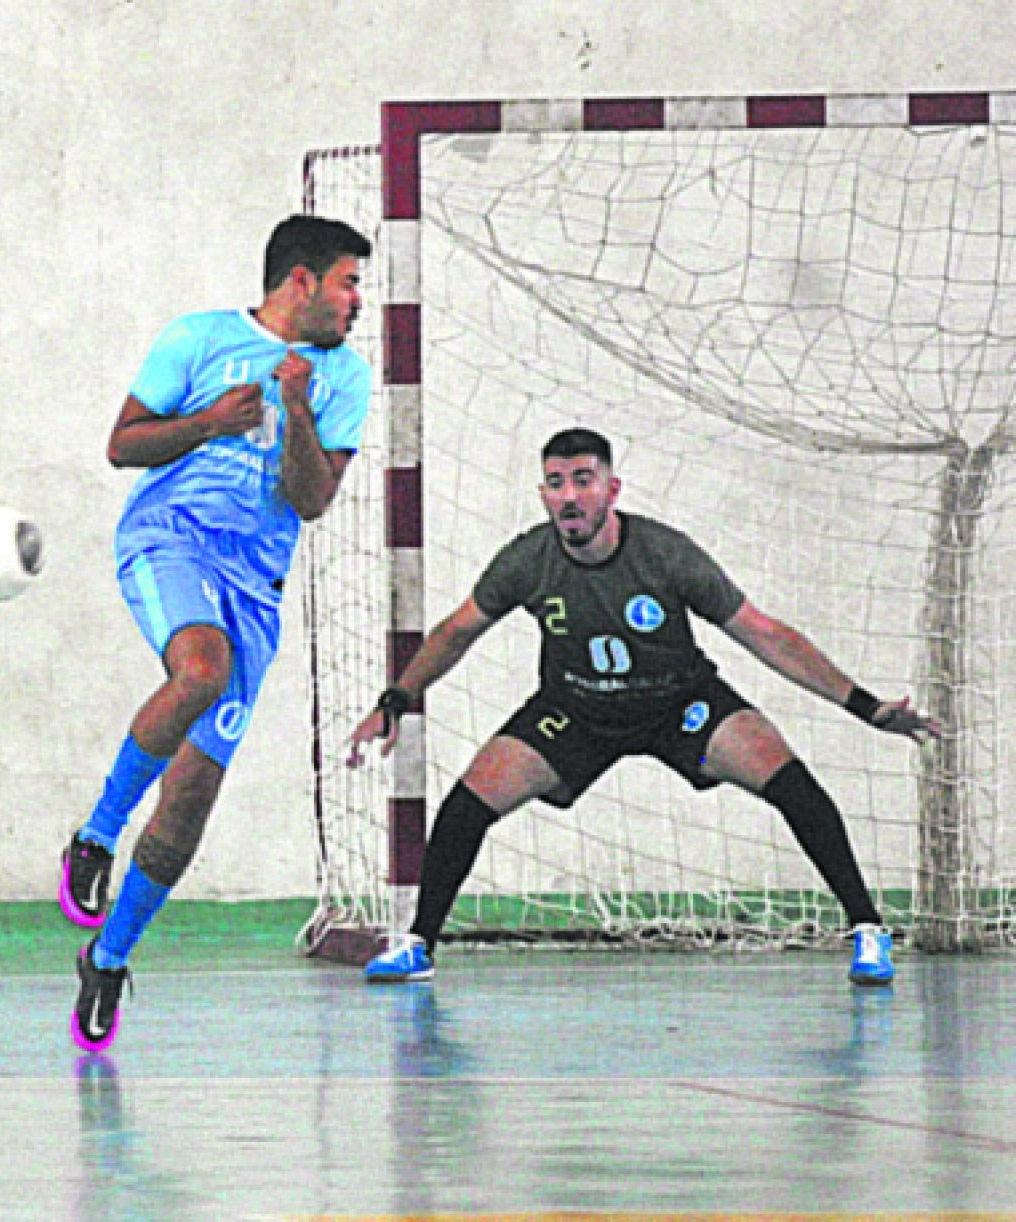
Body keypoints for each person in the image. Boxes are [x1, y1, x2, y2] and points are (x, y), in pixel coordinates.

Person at [347, 429, 938, 987]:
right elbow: (455, 633)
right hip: (574, 709)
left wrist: (867, 708)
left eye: (584, 479)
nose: (570, 495)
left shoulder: (664, 555)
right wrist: (397, 698)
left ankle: (867, 928)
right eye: (556, 483)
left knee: (787, 777)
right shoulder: (527, 560)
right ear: (543, 495)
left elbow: (765, 635)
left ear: (612, 490)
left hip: (681, 702)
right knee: (468, 802)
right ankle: (419, 945)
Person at [61, 215, 374, 1051]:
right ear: (299, 281)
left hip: (254, 585)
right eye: (347, 282)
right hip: (170, 540)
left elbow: (310, 501)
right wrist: (209, 422)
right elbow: (122, 446)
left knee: (193, 793)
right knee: (199, 669)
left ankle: (111, 956)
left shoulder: (344, 377)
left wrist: (296, 410)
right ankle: (94, 836)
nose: (356, 302)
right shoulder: (198, 338)